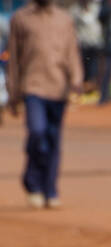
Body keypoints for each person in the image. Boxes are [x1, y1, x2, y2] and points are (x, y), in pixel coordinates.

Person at [7, 0, 82, 208]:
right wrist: (13, 93)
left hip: (58, 87)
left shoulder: (64, 20)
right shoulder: (21, 19)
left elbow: (72, 51)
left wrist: (76, 78)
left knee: (53, 138)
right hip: (33, 86)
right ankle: (32, 181)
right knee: (37, 132)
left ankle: (49, 189)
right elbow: (14, 59)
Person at [69, 0, 103, 90]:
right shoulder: (75, 10)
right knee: (82, 68)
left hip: (95, 44)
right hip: (82, 44)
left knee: (93, 69)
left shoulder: (97, 8)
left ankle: (91, 90)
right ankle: (81, 90)